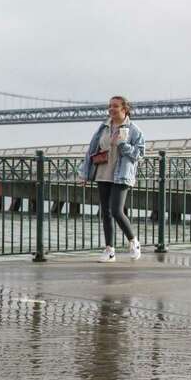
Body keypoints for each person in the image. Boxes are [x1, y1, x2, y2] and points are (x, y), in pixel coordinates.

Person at [78, 95, 146, 262]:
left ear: (124, 109)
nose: (111, 109)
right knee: (106, 213)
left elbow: (140, 155)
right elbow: (91, 151)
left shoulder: (134, 130)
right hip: (103, 173)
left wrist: (122, 144)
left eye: (115, 106)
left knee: (116, 210)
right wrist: (84, 173)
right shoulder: (104, 127)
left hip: (122, 175)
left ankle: (133, 242)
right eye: (110, 106)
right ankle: (109, 251)